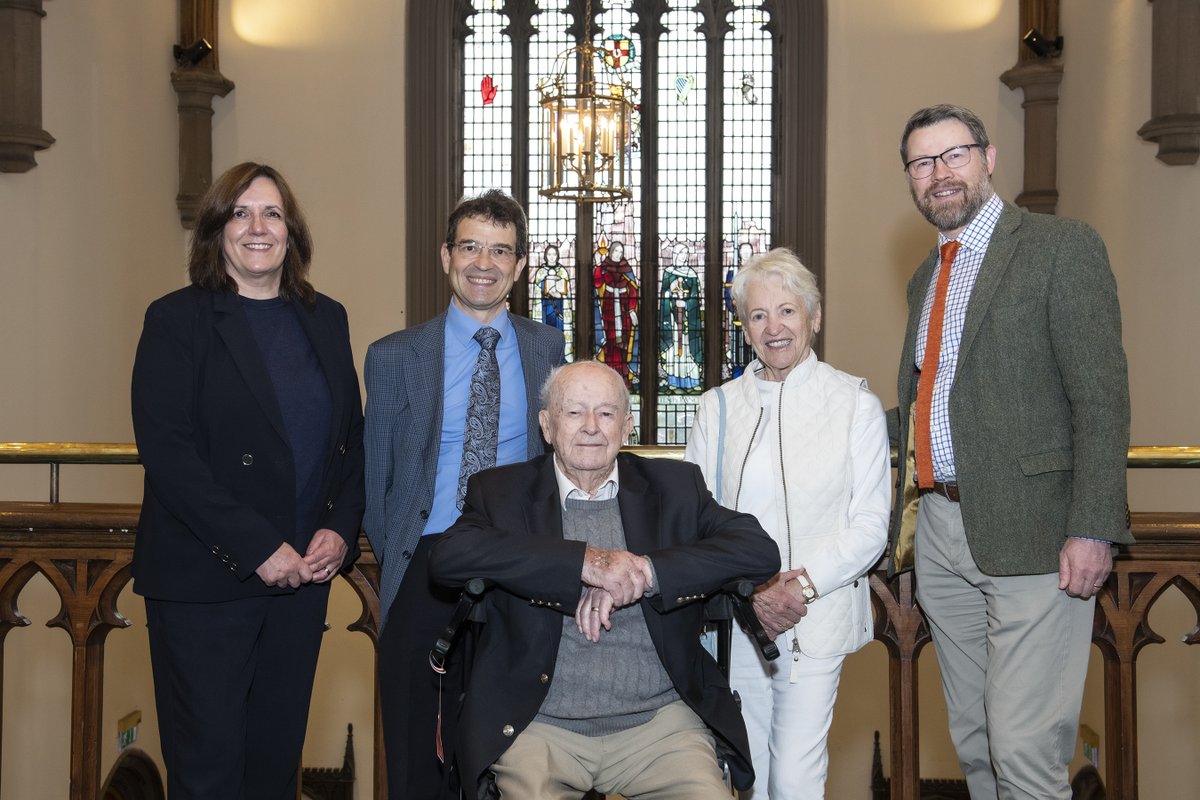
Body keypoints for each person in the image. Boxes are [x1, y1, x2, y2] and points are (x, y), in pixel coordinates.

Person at [889, 104, 1131, 799]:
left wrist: (1092, 526)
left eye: (954, 155)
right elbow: (930, 403)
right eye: (922, 163)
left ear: (989, 158)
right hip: (939, 534)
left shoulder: (1061, 247)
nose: (940, 174)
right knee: (977, 743)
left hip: (1035, 530)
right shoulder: (924, 277)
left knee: (1025, 747)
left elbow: (1101, 398)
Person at [429, 360, 781, 800]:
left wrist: (646, 571)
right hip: (538, 726)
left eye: (607, 413)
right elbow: (448, 557)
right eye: (574, 412)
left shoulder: (674, 485)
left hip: (661, 725)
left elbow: (758, 551)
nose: (591, 427)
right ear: (546, 425)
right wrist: (584, 562)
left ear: (627, 425)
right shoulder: (502, 492)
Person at [131, 162, 364, 799]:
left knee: (273, 768)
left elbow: (351, 443)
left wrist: (339, 530)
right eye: (240, 213)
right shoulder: (176, 320)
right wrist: (258, 549)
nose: (257, 227)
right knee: (207, 774)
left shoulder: (327, 318)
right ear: (216, 230)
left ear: (292, 233)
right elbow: (170, 455)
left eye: (272, 214)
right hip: (208, 582)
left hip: (300, 583)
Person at [363, 189, 565, 798]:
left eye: (501, 250)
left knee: (511, 749)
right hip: (427, 559)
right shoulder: (395, 356)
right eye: (471, 246)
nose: (485, 262)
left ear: (520, 266)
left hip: (517, 563)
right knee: (416, 740)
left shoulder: (545, 349)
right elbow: (377, 480)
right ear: (446, 256)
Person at [685, 248, 891, 799]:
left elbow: (870, 525)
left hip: (814, 617)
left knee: (796, 780)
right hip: (735, 616)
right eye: (757, 315)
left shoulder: (854, 404)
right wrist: (752, 590)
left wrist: (796, 585)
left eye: (787, 311)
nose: (773, 327)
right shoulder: (717, 408)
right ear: (743, 326)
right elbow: (696, 522)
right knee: (738, 773)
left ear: (814, 316)